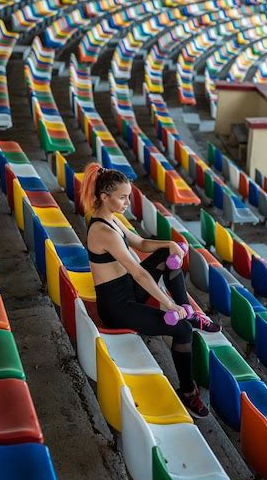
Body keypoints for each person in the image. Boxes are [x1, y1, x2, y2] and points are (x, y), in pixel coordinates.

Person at [80, 163, 220, 418]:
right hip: (117, 307)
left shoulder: (112, 220)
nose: (126, 203)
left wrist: (170, 243)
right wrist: (168, 304)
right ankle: (188, 391)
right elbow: (138, 272)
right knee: (182, 330)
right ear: (104, 197)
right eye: (122, 198)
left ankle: (187, 311)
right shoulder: (102, 230)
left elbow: (142, 243)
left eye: (128, 197)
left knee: (167, 253)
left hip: (128, 290)